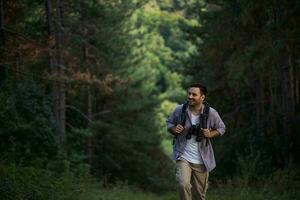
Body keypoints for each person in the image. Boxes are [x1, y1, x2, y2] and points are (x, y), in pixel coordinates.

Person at [166, 83, 225, 200]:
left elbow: (222, 128)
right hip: (183, 156)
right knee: (183, 184)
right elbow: (169, 123)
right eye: (189, 94)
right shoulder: (180, 110)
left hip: (202, 160)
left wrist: (210, 134)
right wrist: (174, 129)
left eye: (194, 94)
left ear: (202, 97)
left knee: (199, 196)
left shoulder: (211, 113)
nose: (190, 96)